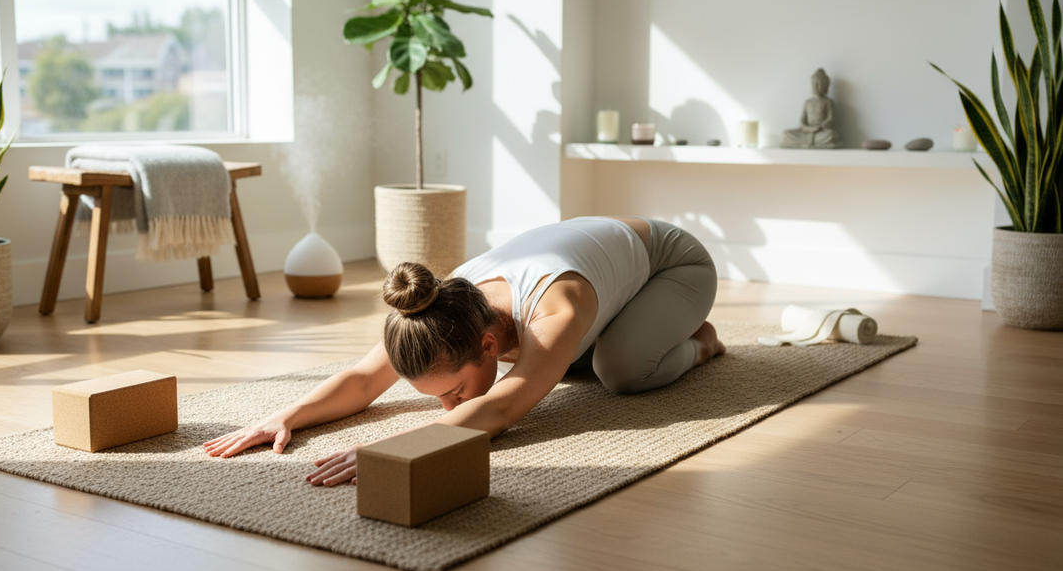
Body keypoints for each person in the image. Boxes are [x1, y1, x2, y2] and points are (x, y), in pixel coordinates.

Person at [203, 216, 725, 486]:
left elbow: (500, 408)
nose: (450, 407)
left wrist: (389, 449)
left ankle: (700, 340)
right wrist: (284, 416)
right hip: (603, 272)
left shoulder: (555, 308)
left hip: (672, 264)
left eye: (452, 391)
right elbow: (364, 380)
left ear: (489, 344)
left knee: (619, 371)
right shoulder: (439, 309)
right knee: (567, 364)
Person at [781, 68, 842, 149]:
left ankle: (811, 140)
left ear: (825, 86)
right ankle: (810, 140)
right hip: (807, 132)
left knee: (831, 135)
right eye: (813, 84)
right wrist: (808, 128)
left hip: (821, 131)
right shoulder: (808, 102)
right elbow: (802, 120)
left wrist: (819, 127)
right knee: (786, 133)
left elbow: (831, 120)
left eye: (818, 84)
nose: (815, 87)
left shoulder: (828, 102)